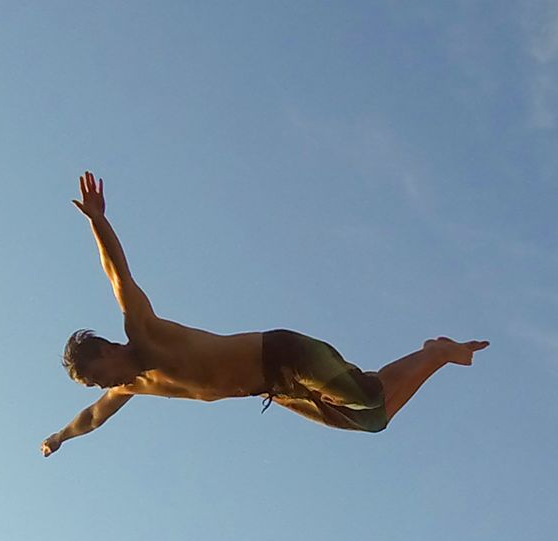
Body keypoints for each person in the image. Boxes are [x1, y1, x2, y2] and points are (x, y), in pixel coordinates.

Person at [43, 175, 485, 453]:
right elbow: (93, 417)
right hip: (275, 387)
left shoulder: (143, 331)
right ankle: (434, 353)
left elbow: (118, 275)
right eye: (105, 386)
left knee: (368, 394)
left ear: (108, 348)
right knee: (372, 421)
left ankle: (437, 351)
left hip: (284, 354)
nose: (113, 385)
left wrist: (97, 221)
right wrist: (60, 437)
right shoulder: (131, 388)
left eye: (106, 375)